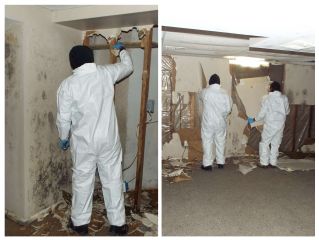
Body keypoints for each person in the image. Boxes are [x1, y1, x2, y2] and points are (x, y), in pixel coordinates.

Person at [56, 42, 133, 236]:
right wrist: (122, 51)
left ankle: (80, 224)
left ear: (72, 63)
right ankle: (118, 225)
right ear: (91, 58)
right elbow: (128, 67)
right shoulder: (106, 73)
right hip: (108, 140)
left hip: (83, 143)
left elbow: (63, 118)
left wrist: (63, 137)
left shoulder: (67, 85)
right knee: (113, 179)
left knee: (82, 181)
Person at [248, 81, 290, 168]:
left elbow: (262, 114)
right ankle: (273, 162)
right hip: (280, 125)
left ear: (271, 88)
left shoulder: (266, 98)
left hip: (270, 125)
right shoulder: (284, 98)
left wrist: (254, 119)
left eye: (268, 86)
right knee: (275, 144)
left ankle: (264, 163)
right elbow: (287, 111)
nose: (267, 88)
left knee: (264, 143)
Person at [200, 74, 232, 171]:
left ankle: (207, 164)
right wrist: (223, 116)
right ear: (219, 82)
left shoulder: (205, 92)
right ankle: (220, 162)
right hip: (220, 122)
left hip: (208, 123)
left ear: (210, 82)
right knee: (220, 142)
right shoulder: (225, 93)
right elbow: (229, 109)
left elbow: (200, 97)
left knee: (207, 142)